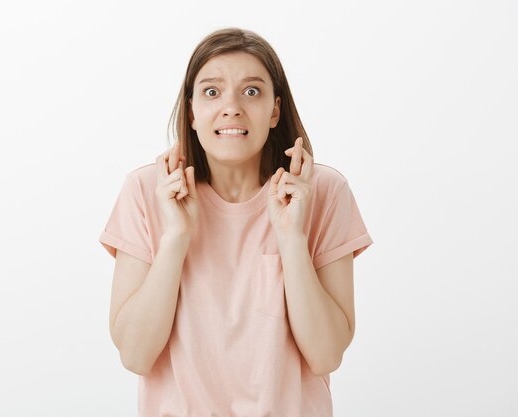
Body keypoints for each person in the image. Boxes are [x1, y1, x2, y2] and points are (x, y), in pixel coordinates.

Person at [98, 27, 373, 417]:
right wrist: (175, 237)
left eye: (251, 91)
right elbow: (136, 356)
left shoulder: (323, 192)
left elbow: (326, 355)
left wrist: (291, 237)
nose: (232, 107)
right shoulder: (146, 191)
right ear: (192, 111)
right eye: (212, 92)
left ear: (275, 110)